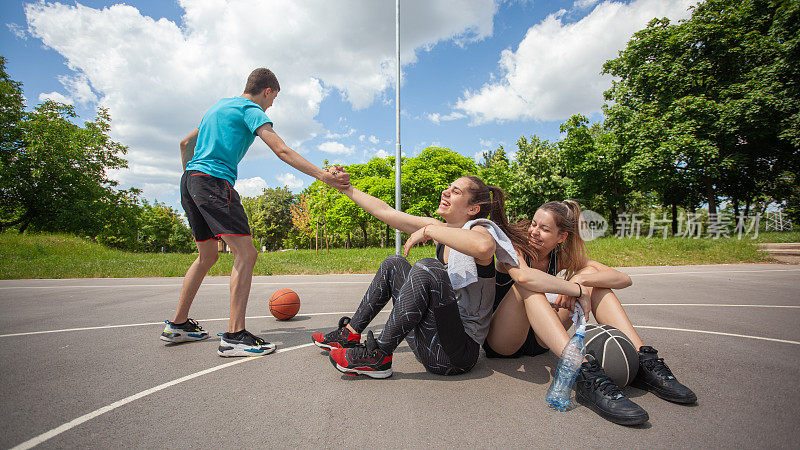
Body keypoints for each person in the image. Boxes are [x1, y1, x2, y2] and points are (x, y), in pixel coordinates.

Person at [160, 68, 350, 357]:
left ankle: (178, 325)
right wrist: (323, 176)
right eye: (274, 98)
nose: (272, 105)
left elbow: (185, 143)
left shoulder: (218, 106)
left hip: (191, 180)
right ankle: (235, 336)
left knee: (208, 255)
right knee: (247, 253)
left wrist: (191, 177)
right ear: (268, 91)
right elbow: (281, 150)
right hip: (213, 181)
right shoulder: (251, 109)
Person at [484, 200, 696, 425]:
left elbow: (624, 279)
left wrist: (581, 279)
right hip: (504, 341)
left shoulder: (562, 257)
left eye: (544, 229)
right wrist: (575, 289)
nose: (534, 232)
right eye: (534, 224)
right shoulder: (516, 247)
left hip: (540, 341)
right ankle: (584, 370)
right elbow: (525, 277)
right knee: (525, 286)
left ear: (561, 237)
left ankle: (644, 360)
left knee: (597, 285)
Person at [313, 175, 523, 378]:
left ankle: (379, 356)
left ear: (472, 209)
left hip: (456, 356)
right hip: (430, 342)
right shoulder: (441, 229)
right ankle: (349, 334)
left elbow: (484, 247)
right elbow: (385, 211)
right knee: (394, 263)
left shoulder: (481, 230)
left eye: (455, 191)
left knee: (428, 267)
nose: (445, 192)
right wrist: (347, 189)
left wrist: (428, 231)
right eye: (448, 188)